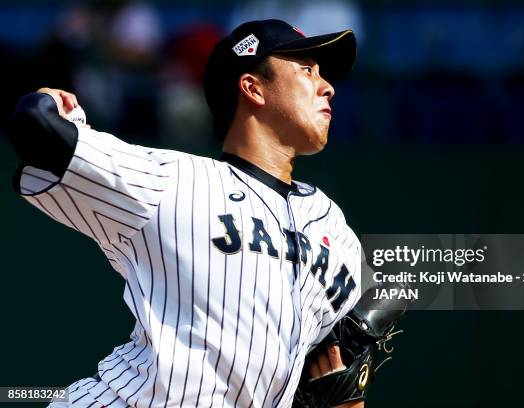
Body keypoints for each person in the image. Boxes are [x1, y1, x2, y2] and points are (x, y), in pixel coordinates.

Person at [10, 19, 364, 407]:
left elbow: (341, 380)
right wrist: (54, 103)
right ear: (253, 88)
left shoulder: (334, 227)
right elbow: (38, 125)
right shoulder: (172, 180)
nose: (326, 85)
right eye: (306, 70)